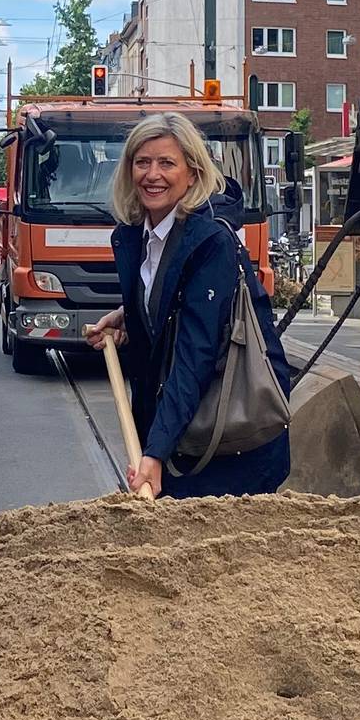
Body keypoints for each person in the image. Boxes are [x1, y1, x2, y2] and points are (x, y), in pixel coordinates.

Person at [79, 113, 294, 498]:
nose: (152, 174)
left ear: (193, 174)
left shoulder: (211, 241)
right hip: (181, 435)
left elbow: (197, 352)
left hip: (226, 443)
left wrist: (155, 453)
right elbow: (172, 303)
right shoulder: (134, 237)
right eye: (141, 162)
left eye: (167, 163)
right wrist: (131, 318)